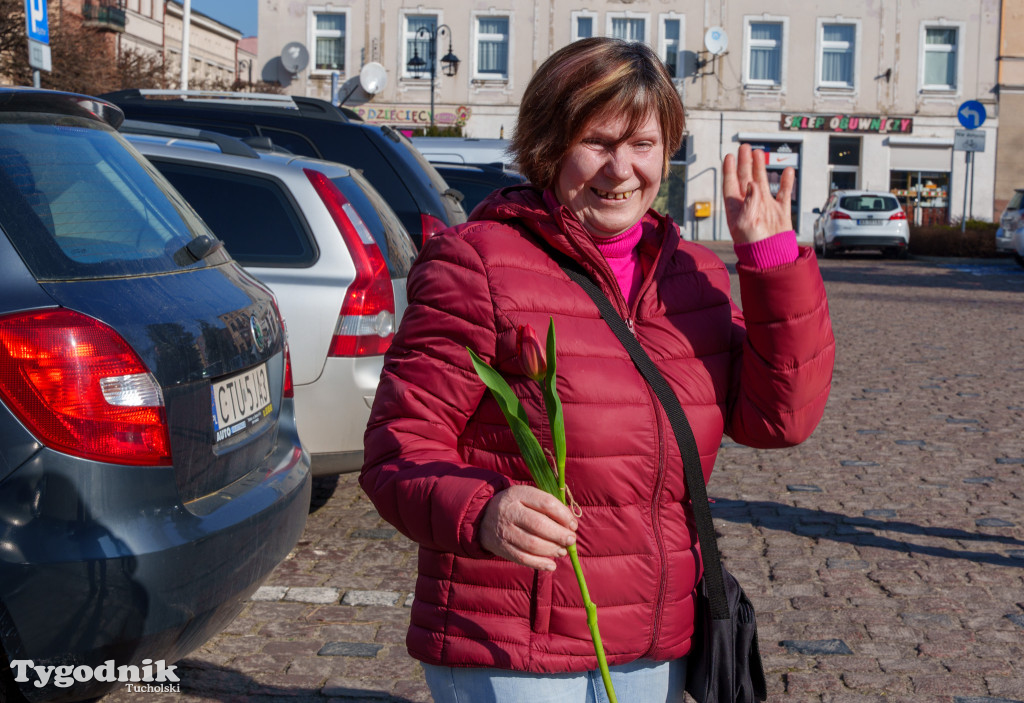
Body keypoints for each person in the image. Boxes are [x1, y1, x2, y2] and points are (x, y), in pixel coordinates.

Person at [361, 37, 835, 703]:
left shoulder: (693, 277)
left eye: (642, 144)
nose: (621, 170)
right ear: (550, 145)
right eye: (598, 141)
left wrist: (772, 261)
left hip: (656, 646)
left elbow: (778, 419)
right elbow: (398, 451)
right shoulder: (479, 265)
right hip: (518, 648)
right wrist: (483, 509)